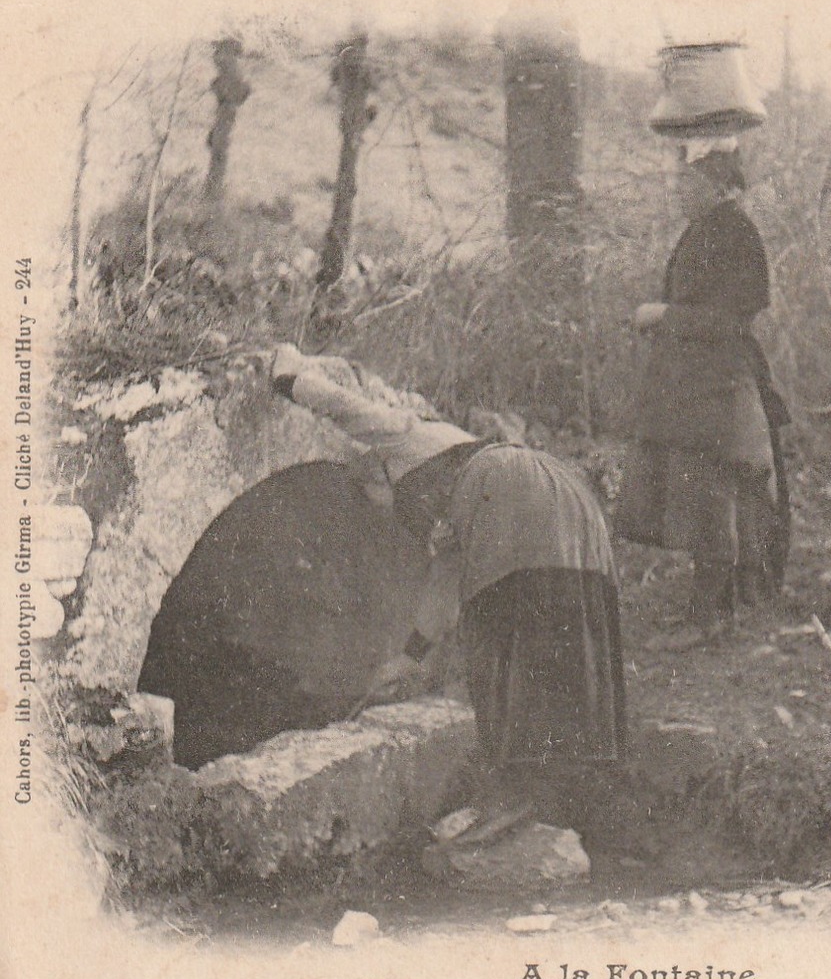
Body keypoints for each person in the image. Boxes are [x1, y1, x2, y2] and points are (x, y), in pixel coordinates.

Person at [269, 344, 626, 842]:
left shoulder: (408, 441)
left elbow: (349, 409)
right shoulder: (452, 498)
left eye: (370, 497)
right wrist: (411, 656)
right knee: (566, 630)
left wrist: (290, 377)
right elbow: (446, 576)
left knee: (498, 629)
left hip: (513, 488)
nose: (380, 512)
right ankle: (568, 795)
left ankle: (513, 797)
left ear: (375, 472)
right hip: (572, 504)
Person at [615, 142, 791, 651]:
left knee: (713, 496)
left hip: (719, 390)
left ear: (714, 185)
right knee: (702, 497)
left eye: (685, 184)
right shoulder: (707, 228)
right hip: (692, 389)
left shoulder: (736, 232)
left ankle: (710, 617)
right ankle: (716, 608)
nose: (677, 193)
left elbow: (734, 318)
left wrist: (663, 316)